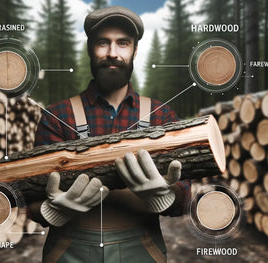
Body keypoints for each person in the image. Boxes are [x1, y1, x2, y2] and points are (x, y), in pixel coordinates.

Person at [27, 6, 191, 263]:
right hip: (68, 254)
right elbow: (31, 202)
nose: (112, 53)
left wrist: (165, 197)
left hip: (143, 252)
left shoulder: (161, 115)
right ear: (90, 48)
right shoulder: (57, 116)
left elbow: (184, 198)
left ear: (134, 50)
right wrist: (53, 210)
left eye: (123, 43)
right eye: (103, 43)